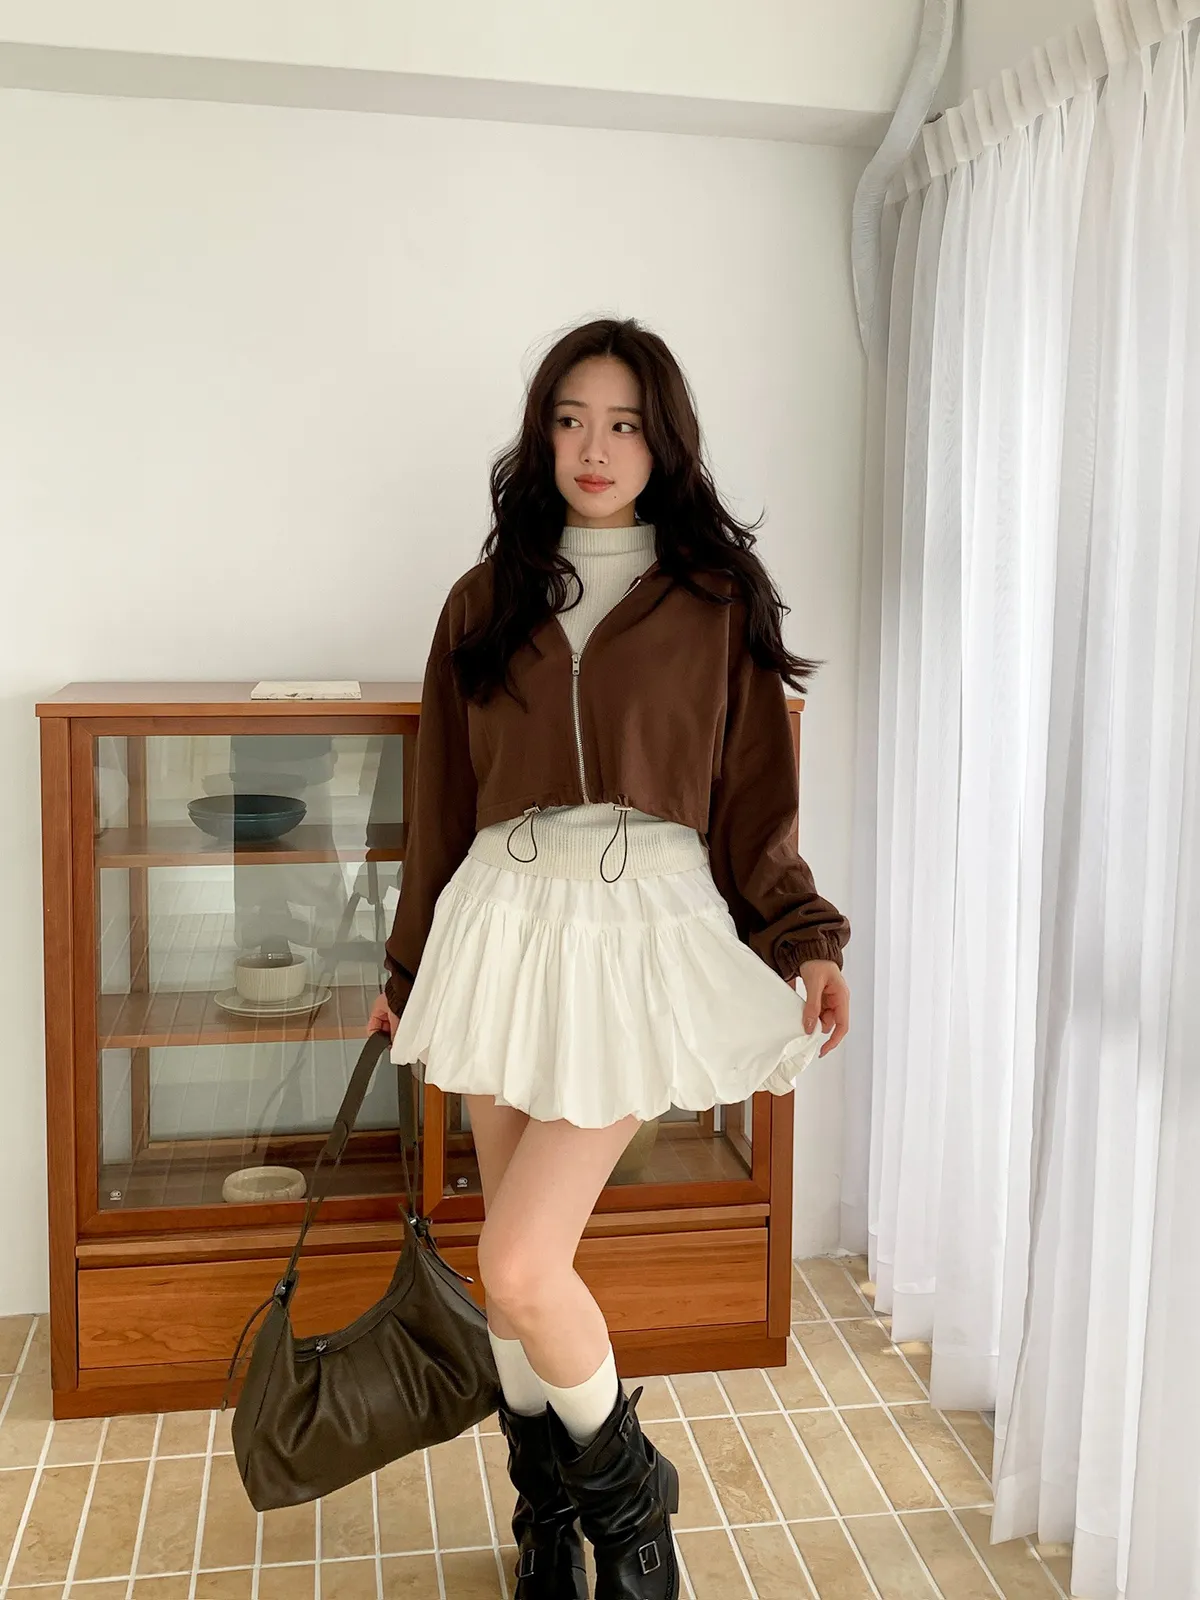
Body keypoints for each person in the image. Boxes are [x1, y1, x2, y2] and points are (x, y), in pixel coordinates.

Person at [368, 317, 850, 1600]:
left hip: (638, 932)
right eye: (571, 418)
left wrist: (802, 935)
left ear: (662, 440)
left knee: (523, 1263)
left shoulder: (715, 595)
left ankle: (635, 1517)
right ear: (542, 435)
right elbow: (440, 800)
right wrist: (407, 965)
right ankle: (547, 1522)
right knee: (508, 1270)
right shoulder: (485, 598)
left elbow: (756, 800)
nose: (595, 445)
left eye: (624, 422)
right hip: (499, 922)